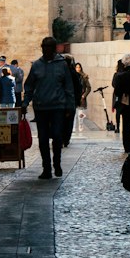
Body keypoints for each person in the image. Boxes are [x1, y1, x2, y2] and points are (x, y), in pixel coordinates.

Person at [22, 36, 75, 179]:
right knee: (43, 138)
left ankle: (56, 163)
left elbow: (68, 87)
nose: (45, 50)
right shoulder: (37, 65)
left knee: (57, 136)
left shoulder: (62, 64)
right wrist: (25, 102)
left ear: (53, 49)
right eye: (43, 47)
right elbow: (29, 86)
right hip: (41, 107)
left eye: (48, 47)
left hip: (58, 106)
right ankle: (46, 167)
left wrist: (70, 107)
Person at [73, 62, 91, 131]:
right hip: (74, 96)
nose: (78, 69)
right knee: (74, 114)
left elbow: (89, 87)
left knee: (80, 114)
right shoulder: (73, 76)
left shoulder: (84, 77)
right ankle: (74, 128)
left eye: (79, 67)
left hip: (81, 97)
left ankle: (80, 125)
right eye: (76, 67)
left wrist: (84, 95)